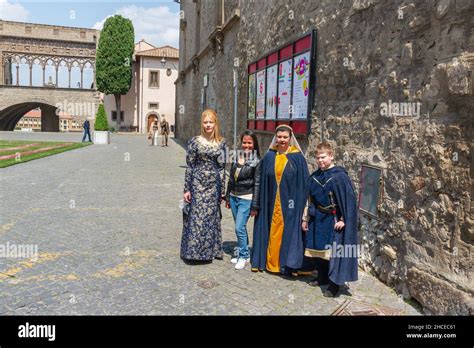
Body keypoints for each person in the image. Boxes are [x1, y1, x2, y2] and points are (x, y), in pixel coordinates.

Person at [250, 125, 309, 277]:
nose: (282, 140)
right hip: (270, 203)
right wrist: (257, 203)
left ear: (290, 139)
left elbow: (303, 185)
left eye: (285, 137)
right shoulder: (269, 156)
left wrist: (301, 209)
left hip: (290, 205)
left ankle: (285, 265)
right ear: (275, 137)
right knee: (271, 230)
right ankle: (269, 263)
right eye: (279, 137)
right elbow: (260, 180)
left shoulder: (298, 158)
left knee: (286, 232)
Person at [301, 142, 358, 297]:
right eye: (318, 158)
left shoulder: (340, 176)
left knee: (334, 255)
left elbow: (348, 202)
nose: (320, 160)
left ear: (331, 156)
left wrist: (343, 219)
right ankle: (322, 277)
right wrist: (305, 219)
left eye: (323, 157)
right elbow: (309, 199)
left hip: (333, 220)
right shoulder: (315, 177)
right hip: (317, 219)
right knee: (318, 252)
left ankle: (334, 285)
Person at [181, 109, 227, 262]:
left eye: (211, 122)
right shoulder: (195, 141)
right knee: (196, 217)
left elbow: (222, 168)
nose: (208, 125)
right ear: (202, 124)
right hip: (197, 183)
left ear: (215, 124)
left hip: (214, 185)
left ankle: (211, 251)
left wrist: (223, 191)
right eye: (205, 122)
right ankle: (194, 252)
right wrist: (187, 189)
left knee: (211, 217)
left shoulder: (221, 143)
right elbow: (190, 165)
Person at [225, 131, 261, 270]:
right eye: (244, 142)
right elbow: (231, 178)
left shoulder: (257, 161)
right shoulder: (237, 157)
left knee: (239, 227)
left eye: (249, 143)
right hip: (234, 197)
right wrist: (228, 196)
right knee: (240, 228)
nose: (246, 145)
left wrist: (255, 206)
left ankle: (244, 256)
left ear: (254, 144)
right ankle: (242, 254)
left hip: (246, 198)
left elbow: (257, 184)